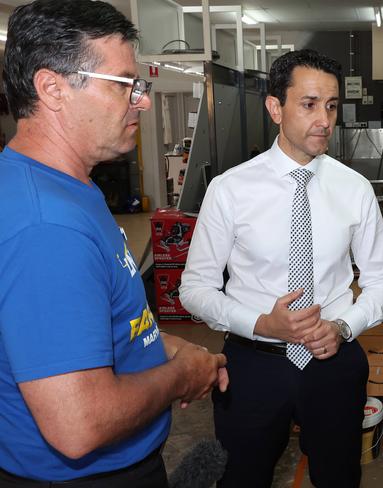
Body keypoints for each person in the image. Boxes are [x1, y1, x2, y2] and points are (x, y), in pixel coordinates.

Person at [0, 1, 228, 486]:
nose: (142, 100)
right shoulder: (48, 226)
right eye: (124, 84)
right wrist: (182, 377)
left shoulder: (64, 187)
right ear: (53, 89)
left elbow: (96, 326)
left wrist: (167, 346)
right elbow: (79, 424)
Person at [180, 49, 383, 487]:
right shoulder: (230, 190)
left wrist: (341, 327)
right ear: (275, 107)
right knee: (242, 476)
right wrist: (262, 323)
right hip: (251, 366)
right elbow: (195, 288)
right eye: (310, 104)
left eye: (332, 106)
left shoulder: (354, 190)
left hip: (333, 363)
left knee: (339, 477)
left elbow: (382, 281)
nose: (325, 119)